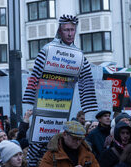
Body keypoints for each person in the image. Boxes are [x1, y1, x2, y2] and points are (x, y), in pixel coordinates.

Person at [23, 14, 98, 166]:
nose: (70, 34)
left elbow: (87, 83)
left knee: (58, 141)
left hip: (63, 107)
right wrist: (30, 104)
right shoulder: (48, 50)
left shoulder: (79, 56)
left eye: (72, 30)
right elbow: (35, 76)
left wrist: (90, 113)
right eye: (67, 30)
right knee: (38, 140)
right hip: (43, 105)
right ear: (60, 31)